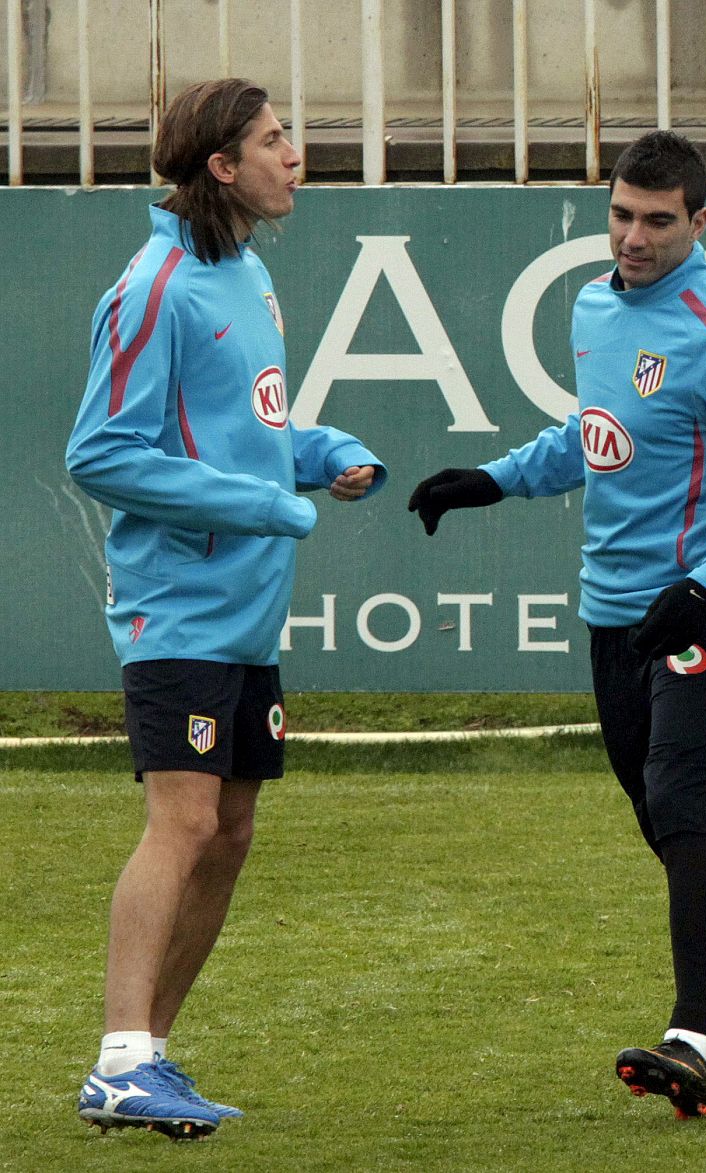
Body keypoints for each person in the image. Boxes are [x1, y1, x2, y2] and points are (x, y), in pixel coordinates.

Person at [409, 130, 706, 1121]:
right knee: (666, 824)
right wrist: (494, 480)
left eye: (657, 221)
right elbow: (593, 438)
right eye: (621, 216)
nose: (632, 238)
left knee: (682, 807)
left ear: (699, 222)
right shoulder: (596, 307)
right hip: (616, 611)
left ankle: (689, 1036)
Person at [65, 79, 385, 1139]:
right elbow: (103, 452)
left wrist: (321, 451)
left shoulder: (241, 271)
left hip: (246, 606)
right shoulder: (155, 285)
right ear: (220, 165)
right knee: (186, 818)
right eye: (274, 139)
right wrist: (262, 503)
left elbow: (245, 431)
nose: (295, 155)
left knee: (231, 829)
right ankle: (119, 1055)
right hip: (180, 603)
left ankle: (141, 1059)